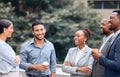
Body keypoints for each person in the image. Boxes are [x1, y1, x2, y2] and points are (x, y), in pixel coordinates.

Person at [92, 10, 120, 77]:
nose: (109, 21)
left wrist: (99, 57)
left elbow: (117, 65)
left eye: (111, 18)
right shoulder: (115, 37)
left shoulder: (119, 39)